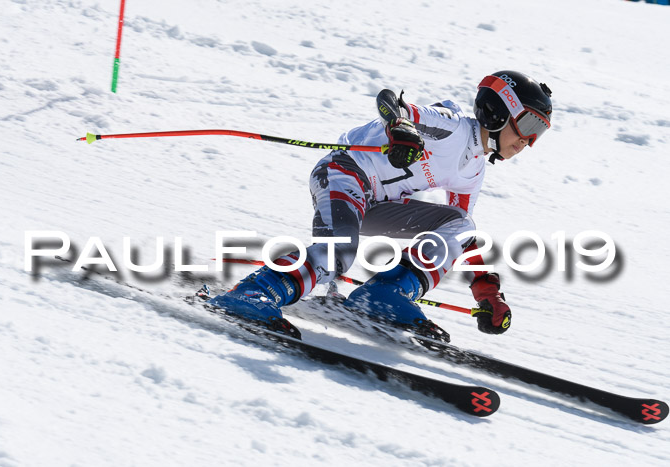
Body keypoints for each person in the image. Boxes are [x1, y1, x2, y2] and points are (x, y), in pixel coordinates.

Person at [210, 70, 553, 341]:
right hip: (345, 174)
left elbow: (459, 239)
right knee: (339, 253)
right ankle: (252, 294)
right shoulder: (450, 125)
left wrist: (486, 291)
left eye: (539, 133)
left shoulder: (474, 168)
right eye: (528, 124)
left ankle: (385, 295)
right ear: (497, 113)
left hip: (378, 205)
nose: (529, 141)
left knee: (462, 224)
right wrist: (402, 127)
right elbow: (392, 102)